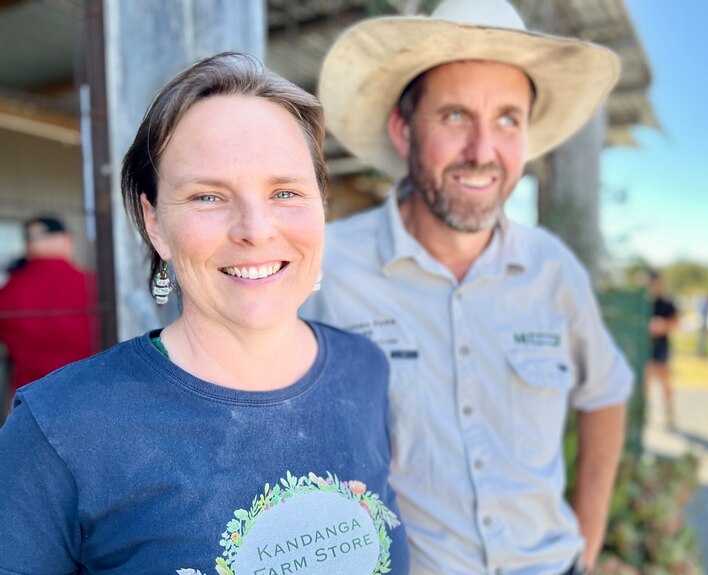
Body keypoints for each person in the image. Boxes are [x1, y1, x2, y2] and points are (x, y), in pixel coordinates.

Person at [0, 52, 408, 575]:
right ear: (155, 224)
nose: (256, 229)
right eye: (208, 196)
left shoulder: (365, 369)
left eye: (285, 191)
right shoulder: (60, 429)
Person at [300, 1, 633, 573]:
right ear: (404, 130)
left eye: (508, 119)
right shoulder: (327, 269)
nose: (483, 151)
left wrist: (587, 539)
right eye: (455, 116)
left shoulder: (553, 271)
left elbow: (605, 392)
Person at [0, 216, 98, 401]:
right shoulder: (93, 285)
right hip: (88, 390)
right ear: (67, 240)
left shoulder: (11, 290)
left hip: (31, 396)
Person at [645, 270, 678, 428]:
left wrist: (662, 325)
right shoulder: (643, 302)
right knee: (645, 382)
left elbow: (675, 323)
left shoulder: (667, 303)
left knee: (664, 379)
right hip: (645, 346)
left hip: (661, 345)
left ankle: (669, 413)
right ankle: (643, 414)